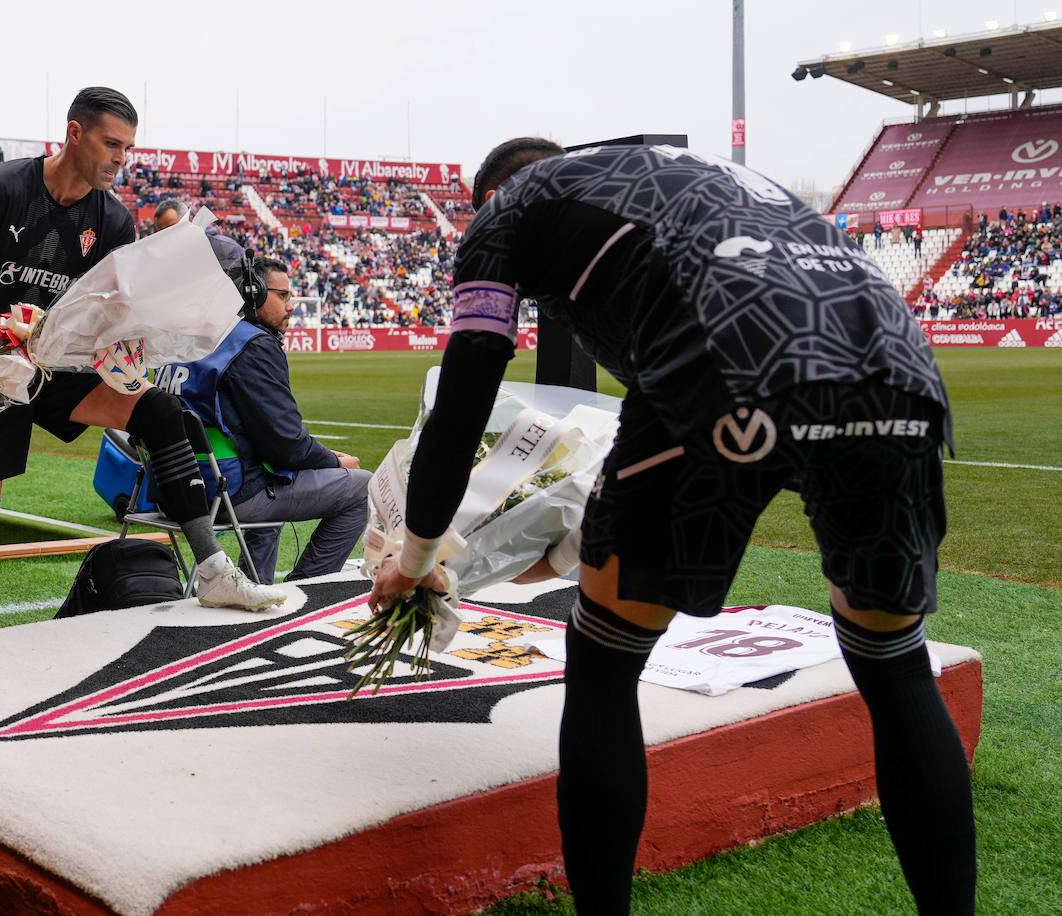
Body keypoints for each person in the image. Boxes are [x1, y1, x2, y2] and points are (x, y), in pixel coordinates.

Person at [370, 139, 975, 914]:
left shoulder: (505, 214)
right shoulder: (679, 174)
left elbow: (468, 382)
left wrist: (418, 555)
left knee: (605, 664)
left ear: (489, 196)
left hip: (719, 359)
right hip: (894, 362)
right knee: (894, 667)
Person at [0, 87, 285, 640]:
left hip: (58, 365)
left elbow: (118, 315)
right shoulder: (2, 190)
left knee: (159, 411)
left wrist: (131, 352)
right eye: (112, 143)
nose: (120, 159)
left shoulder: (113, 220)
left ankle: (212, 572)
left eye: (128, 148)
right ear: (75, 133)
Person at [155, 256, 371, 584]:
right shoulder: (251, 345)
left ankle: (254, 586)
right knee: (363, 486)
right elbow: (285, 446)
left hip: (171, 491)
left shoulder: (188, 338)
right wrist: (334, 460)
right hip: (225, 495)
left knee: (271, 477)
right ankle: (305, 591)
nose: (291, 306)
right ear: (253, 293)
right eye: (282, 295)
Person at [153, 198, 244, 271]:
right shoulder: (164, 259)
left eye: (173, 227)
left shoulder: (226, 249)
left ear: (191, 220)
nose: (169, 235)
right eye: (163, 232)